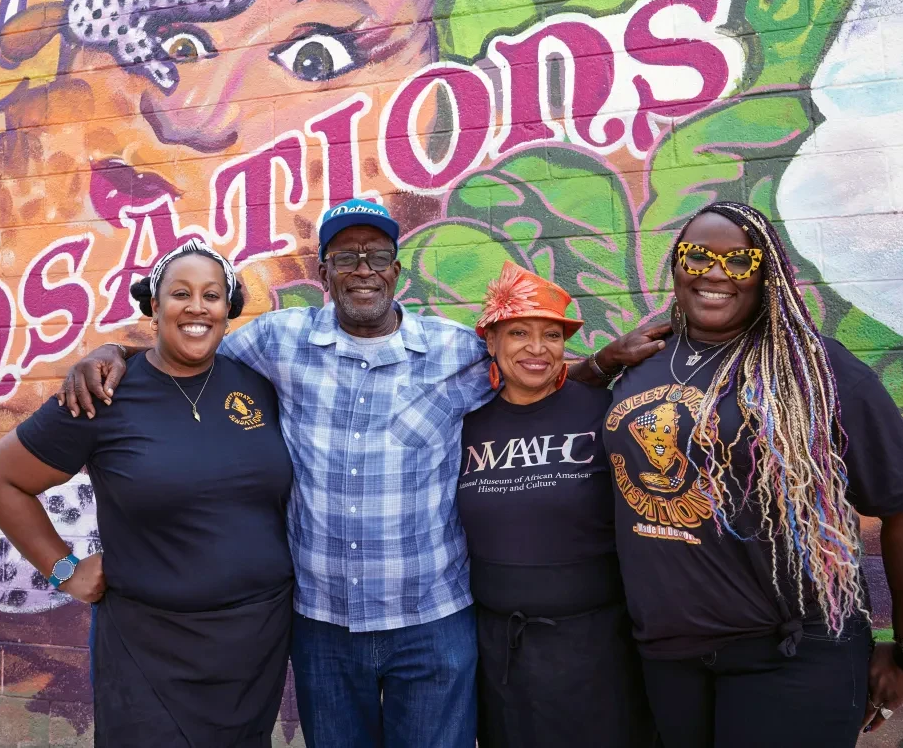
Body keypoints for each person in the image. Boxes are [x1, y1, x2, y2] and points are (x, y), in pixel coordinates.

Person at [57, 199, 669, 748]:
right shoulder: (277, 340)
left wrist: (608, 361)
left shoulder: (454, 349)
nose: (363, 269)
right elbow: (189, 352)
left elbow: (534, 370)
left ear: (397, 271)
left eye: (377, 255)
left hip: (432, 619)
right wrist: (115, 352)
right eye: (345, 257)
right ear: (324, 274)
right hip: (323, 624)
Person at [601, 201, 903, 748]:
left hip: (791, 656)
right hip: (669, 657)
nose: (716, 273)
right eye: (698, 257)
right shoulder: (641, 361)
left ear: (768, 275)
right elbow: (547, 402)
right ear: (677, 266)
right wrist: (597, 365)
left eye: (740, 261)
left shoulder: (818, 371)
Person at [0, 240, 293, 748]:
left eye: (212, 295)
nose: (196, 307)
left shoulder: (258, 385)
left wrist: (116, 347)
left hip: (255, 640)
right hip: (149, 646)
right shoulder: (103, 392)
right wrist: (64, 570)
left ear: (227, 311)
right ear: (153, 307)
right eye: (180, 293)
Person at [460, 262, 657, 748]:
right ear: (490, 342)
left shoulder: (603, 413)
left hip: (599, 649)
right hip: (502, 654)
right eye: (519, 333)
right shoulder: (464, 425)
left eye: (552, 335)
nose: (536, 348)